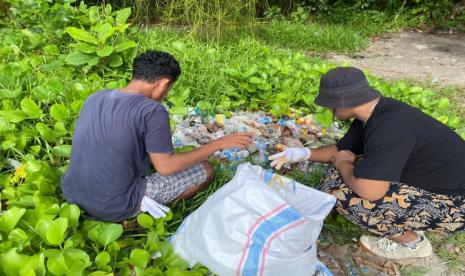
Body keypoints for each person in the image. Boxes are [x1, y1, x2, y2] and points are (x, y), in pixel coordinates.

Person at [269, 67, 465, 260]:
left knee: (343, 196)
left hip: (457, 205)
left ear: (341, 103)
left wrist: (343, 165)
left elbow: (370, 191)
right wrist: (303, 153)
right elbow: (341, 150)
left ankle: (413, 244)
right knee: (334, 179)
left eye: (329, 104)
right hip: (443, 181)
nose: (328, 109)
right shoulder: (375, 112)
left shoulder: (388, 129)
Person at [62, 50, 253, 222]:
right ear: (163, 83)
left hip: (73, 195)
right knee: (205, 169)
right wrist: (217, 144)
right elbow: (165, 167)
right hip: (113, 206)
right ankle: (138, 215)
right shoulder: (152, 110)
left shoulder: (96, 97)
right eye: (169, 89)